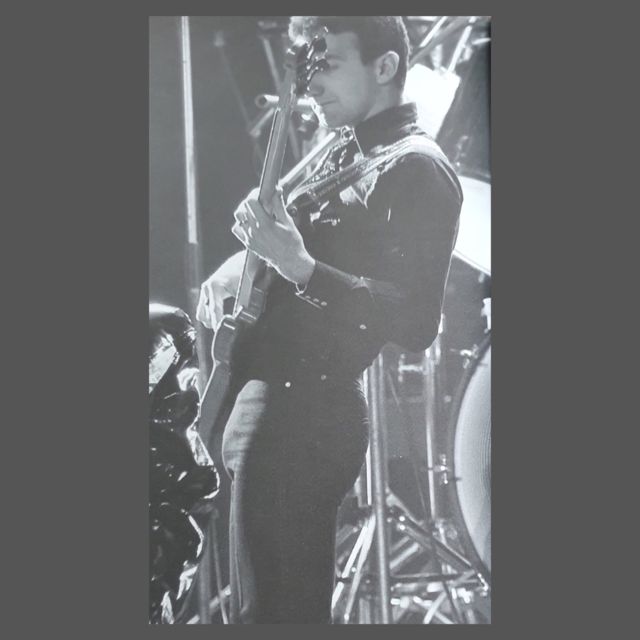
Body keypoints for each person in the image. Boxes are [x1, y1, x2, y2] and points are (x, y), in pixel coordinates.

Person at [196, 16, 463, 624]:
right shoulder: (340, 150)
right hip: (265, 409)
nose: (311, 85)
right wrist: (246, 265)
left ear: (385, 66)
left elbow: (416, 321)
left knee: (281, 617)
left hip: (306, 416)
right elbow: (295, 248)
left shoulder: (417, 168)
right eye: (308, 67)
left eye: (330, 64)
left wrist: (299, 267)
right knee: (261, 615)